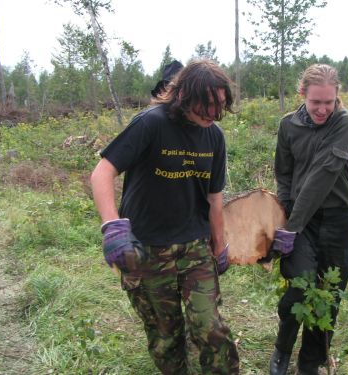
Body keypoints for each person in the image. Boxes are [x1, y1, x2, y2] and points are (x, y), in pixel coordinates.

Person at [90, 59, 240, 375]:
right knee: (166, 336)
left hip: (194, 247)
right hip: (147, 250)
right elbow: (103, 172)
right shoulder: (151, 123)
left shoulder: (215, 137)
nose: (213, 114)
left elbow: (214, 198)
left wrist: (220, 245)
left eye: (220, 106)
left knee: (211, 328)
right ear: (183, 95)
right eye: (207, 104)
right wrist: (112, 226)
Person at [269, 64, 348, 375]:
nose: (322, 109)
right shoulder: (288, 125)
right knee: (301, 285)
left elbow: (323, 176)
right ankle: (282, 349)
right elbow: (284, 172)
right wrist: (285, 214)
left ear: (337, 98)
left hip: (335, 219)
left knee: (329, 295)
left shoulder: (343, 124)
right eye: (315, 102)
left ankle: (310, 363)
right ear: (302, 94)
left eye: (329, 102)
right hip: (299, 220)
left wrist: (290, 227)